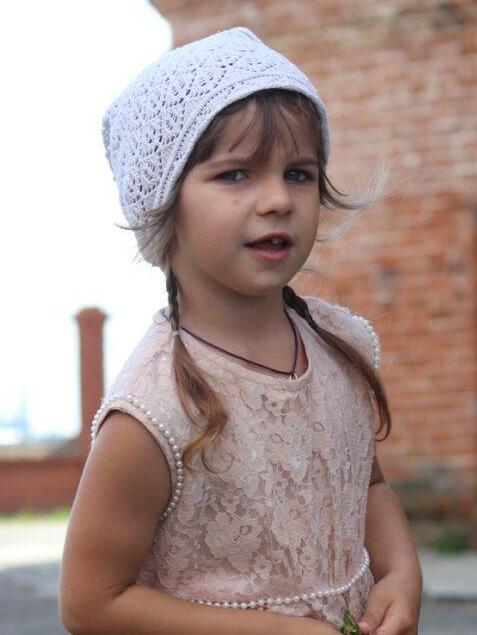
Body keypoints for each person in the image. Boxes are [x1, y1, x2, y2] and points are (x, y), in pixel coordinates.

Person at [59, 27, 422, 635]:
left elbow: (368, 485)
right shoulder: (155, 410)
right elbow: (90, 603)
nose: (278, 199)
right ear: (162, 203)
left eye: (299, 173)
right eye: (235, 175)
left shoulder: (342, 347)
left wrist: (401, 573)